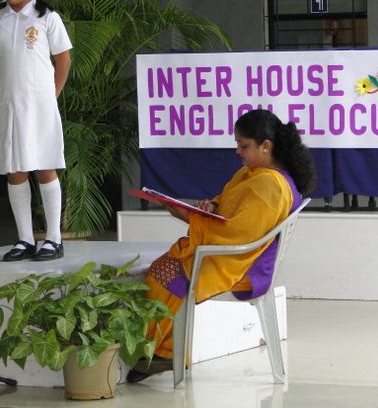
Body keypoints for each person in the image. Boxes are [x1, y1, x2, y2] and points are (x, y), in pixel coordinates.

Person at [127, 109, 316, 382]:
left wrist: (189, 217)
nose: (237, 151)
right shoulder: (254, 173)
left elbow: (239, 234)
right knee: (162, 269)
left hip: (244, 264)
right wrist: (211, 206)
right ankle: (164, 351)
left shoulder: (270, 185)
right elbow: (226, 202)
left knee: (164, 275)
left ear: (266, 146)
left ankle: (165, 352)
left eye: (243, 145)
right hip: (235, 254)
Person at [0, 0, 72, 262]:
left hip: (40, 105)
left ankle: (54, 239)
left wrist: (51, 95)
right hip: (8, 105)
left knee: (44, 166)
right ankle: (25, 239)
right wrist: (9, 89)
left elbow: (63, 60)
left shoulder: (47, 17)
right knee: (14, 169)